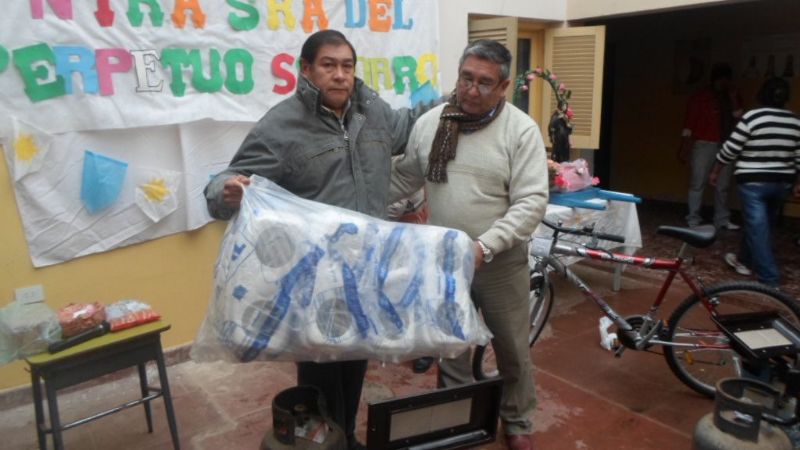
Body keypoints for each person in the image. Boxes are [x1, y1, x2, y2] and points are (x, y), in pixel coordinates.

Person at [204, 29, 432, 450]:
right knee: (321, 375)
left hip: (365, 271)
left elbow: (415, 120)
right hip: (315, 282)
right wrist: (225, 191)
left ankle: (346, 436)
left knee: (356, 361)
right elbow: (223, 183)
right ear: (306, 70)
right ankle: (327, 444)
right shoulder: (282, 125)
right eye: (329, 65)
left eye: (347, 66)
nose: (340, 75)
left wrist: (460, 100)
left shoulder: (374, 113)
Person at [390, 39, 548, 450]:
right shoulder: (431, 123)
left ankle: (517, 420)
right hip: (444, 262)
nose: (472, 91)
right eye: (466, 78)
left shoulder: (520, 130)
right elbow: (405, 176)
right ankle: (457, 417)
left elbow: (531, 201)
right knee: (451, 346)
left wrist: (485, 246)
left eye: (484, 82)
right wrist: (350, 199)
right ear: (457, 73)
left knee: (511, 348)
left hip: (499, 262)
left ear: (504, 86)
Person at [710, 77, 800, 287]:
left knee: (758, 226)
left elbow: (730, 148)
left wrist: (715, 170)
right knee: (761, 224)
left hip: (753, 183)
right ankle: (743, 259)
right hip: (781, 183)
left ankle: (769, 278)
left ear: (762, 94)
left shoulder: (753, 117)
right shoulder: (795, 121)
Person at [679, 62, 742, 229]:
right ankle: (693, 218)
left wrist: (734, 97)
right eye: (722, 79)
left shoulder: (731, 97)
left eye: (727, 80)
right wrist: (684, 148)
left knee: (723, 185)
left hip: (726, 145)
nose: (725, 83)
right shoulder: (701, 97)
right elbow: (689, 125)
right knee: (697, 182)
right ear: (715, 79)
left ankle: (721, 219)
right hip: (704, 144)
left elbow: (739, 119)